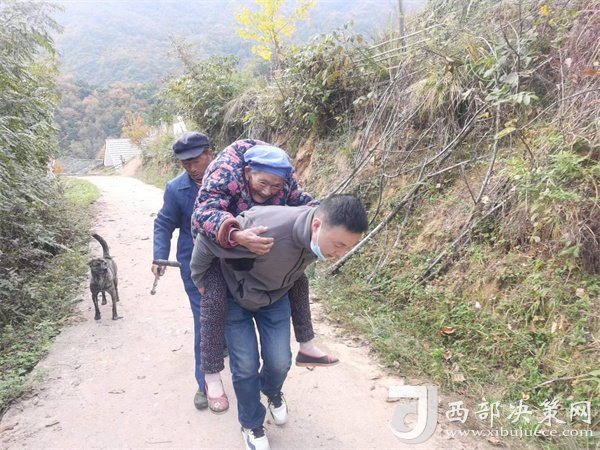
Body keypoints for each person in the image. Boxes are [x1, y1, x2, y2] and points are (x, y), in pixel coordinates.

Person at [190, 195, 369, 450]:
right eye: (338, 245)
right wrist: (200, 280)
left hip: (275, 298)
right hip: (235, 297)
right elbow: (206, 241)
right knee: (245, 367)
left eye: (347, 248)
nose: (339, 254)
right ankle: (251, 424)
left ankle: (272, 391)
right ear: (316, 225)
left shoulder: (317, 238)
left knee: (280, 361)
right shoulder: (267, 230)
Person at [190, 140, 338, 412]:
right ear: (248, 172)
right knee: (213, 302)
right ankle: (210, 376)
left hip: (259, 249)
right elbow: (203, 214)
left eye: (276, 186)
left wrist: (330, 222)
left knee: (296, 278)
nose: (269, 191)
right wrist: (235, 235)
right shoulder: (226, 174)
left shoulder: (285, 180)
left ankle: (306, 345)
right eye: (263, 183)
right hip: (216, 244)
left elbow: (306, 206)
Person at [152, 131, 213, 410]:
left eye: (195, 160)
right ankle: (205, 382)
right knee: (204, 321)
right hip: (194, 266)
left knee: (233, 316)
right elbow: (164, 223)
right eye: (185, 163)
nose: (191, 167)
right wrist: (159, 256)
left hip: (233, 264)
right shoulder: (176, 189)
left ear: (210, 154)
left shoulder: (232, 181)